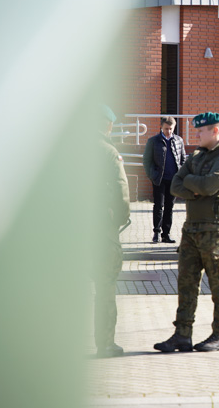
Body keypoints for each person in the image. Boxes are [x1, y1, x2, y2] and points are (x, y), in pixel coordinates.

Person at [154, 112, 219, 353]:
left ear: (217, 130)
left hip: (217, 230)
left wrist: (192, 184)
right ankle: (182, 334)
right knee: (186, 284)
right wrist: (196, 186)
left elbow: (210, 185)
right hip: (191, 229)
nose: (196, 135)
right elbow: (174, 184)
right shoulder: (196, 156)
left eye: (201, 131)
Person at [95, 105, 131, 357]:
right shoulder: (108, 152)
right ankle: (105, 344)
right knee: (105, 286)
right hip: (100, 231)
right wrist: (120, 218)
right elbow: (121, 190)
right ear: (107, 125)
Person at [142, 116, 186, 243]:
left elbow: (183, 159)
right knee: (158, 206)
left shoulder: (179, 141)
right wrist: (152, 175)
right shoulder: (153, 141)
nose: (169, 131)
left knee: (169, 207)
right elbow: (147, 160)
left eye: (171, 129)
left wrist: (181, 175)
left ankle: (166, 234)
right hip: (159, 179)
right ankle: (156, 232)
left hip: (173, 180)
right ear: (161, 127)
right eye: (166, 128)